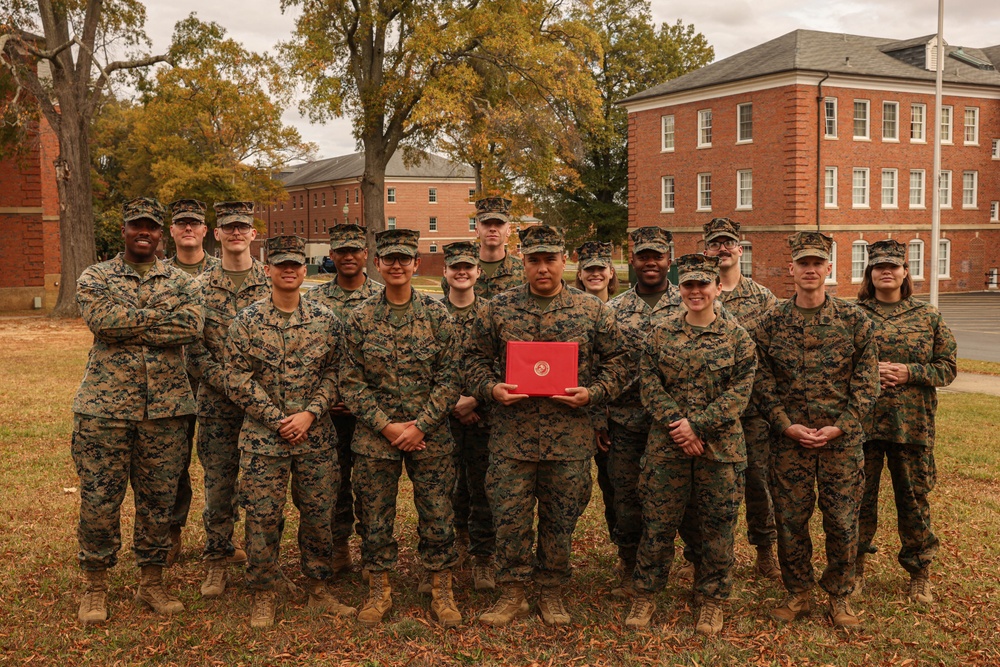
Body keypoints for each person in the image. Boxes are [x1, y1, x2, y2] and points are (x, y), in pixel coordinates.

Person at [467, 224, 629, 626]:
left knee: (560, 519)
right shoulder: (497, 308)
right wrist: (491, 389)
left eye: (550, 259)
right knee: (510, 517)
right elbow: (470, 361)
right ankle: (513, 593)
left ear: (564, 260)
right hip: (512, 438)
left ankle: (552, 592)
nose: (542, 268)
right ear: (523, 260)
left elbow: (622, 363)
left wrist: (593, 393)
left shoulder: (591, 311)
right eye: (534, 260)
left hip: (569, 439)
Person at [73, 197, 204, 624]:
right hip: (104, 411)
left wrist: (130, 321)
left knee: (159, 502)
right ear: (124, 230)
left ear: (160, 233)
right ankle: (95, 586)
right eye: (136, 225)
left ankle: (152, 582)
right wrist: (155, 320)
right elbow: (102, 323)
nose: (143, 232)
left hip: (166, 411)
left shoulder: (181, 280)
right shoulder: (95, 276)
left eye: (151, 226)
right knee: (99, 500)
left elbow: (190, 326)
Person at [224, 235, 354, 629]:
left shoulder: (325, 320)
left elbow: (337, 373)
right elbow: (236, 378)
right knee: (262, 516)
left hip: (315, 438)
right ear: (267, 270)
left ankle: (318, 586)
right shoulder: (246, 322)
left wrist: (310, 414)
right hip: (265, 440)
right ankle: (263, 592)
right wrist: (277, 418)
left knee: (318, 514)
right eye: (281, 264)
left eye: (296, 264)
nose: (289, 270)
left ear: (305, 269)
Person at [754, 231, 879, 628]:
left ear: (829, 269)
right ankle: (798, 594)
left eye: (817, 264)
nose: (810, 270)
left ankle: (840, 597)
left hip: (840, 444)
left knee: (842, 520)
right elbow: (761, 382)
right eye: (803, 264)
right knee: (791, 520)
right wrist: (785, 425)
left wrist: (840, 427)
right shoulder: (770, 321)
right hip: (788, 443)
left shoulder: (854, 319)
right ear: (791, 269)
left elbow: (867, 380)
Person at [340, 229, 463, 628]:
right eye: (389, 259)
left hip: (431, 437)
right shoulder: (359, 319)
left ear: (415, 265)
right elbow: (350, 381)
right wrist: (388, 427)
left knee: (438, 513)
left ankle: (441, 587)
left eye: (403, 259)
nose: (396, 266)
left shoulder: (436, 315)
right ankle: (379, 588)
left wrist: (421, 425)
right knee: (374, 516)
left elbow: (450, 377)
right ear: (377, 264)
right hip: (376, 438)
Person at [627, 254, 756, 634]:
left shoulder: (737, 338)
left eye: (703, 285)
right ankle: (645, 595)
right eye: (689, 285)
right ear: (679, 288)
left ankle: (712, 599)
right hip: (667, 448)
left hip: (720, 450)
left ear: (718, 288)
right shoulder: (660, 333)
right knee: (657, 524)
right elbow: (648, 385)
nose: (696, 291)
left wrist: (697, 426)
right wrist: (678, 427)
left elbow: (740, 392)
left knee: (717, 526)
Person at [855, 239, 956, 604]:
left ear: (905, 271)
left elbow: (947, 367)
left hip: (910, 426)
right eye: (879, 265)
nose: (886, 271)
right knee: (858, 501)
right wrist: (869, 372)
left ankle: (919, 571)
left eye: (893, 266)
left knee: (914, 501)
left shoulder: (927, 316)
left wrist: (909, 372)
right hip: (862, 425)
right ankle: (854, 569)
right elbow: (836, 366)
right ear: (870, 272)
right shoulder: (854, 315)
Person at [185, 201, 271, 598]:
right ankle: (217, 561)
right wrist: (231, 382)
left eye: (244, 228)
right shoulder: (197, 289)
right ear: (216, 234)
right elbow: (193, 350)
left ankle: (262, 562)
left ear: (254, 234)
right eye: (229, 228)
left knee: (261, 488)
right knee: (219, 486)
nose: (237, 234)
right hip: (218, 405)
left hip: (264, 408)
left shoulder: (272, 283)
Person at [604, 227, 688, 596]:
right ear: (632, 260)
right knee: (627, 499)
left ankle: (691, 566)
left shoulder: (691, 303)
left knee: (683, 500)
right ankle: (630, 568)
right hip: (627, 422)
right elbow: (598, 364)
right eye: (643, 256)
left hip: (675, 425)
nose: (651, 262)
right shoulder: (613, 310)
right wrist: (598, 418)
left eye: (658, 256)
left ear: (669, 260)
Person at [702, 217, 781, 580]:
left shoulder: (762, 297)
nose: (722, 249)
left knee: (758, 483)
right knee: (713, 488)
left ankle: (765, 551)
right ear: (706, 250)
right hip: (709, 411)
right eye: (715, 244)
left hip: (752, 412)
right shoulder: (699, 292)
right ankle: (713, 556)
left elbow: (777, 352)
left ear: (739, 248)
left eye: (728, 243)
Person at [304, 224, 383, 574]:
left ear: (366, 255)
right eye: (341, 251)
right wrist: (327, 397)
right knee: (331, 484)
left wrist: (362, 399)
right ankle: (338, 547)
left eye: (355, 250)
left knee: (370, 486)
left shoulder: (383, 296)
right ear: (331, 256)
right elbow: (308, 356)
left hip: (371, 412)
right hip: (328, 412)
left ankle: (371, 551)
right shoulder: (313, 302)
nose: (348, 257)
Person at [164, 198, 220, 565]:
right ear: (171, 231)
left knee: (220, 462)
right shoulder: (158, 274)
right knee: (170, 462)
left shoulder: (223, 272)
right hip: (169, 383)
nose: (187, 228)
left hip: (216, 384)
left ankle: (222, 538)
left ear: (204, 230)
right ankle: (170, 533)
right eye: (181, 222)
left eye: (194, 222)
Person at [573, 241, 618, 547]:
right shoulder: (569, 310)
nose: (595, 275)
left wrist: (604, 417)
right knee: (574, 489)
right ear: (579, 273)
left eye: (600, 269)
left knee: (616, 487)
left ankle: (623, 552)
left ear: (611, 272)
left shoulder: (623, 310)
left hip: (616, 416)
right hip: (575, 414)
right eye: (589, 269)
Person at [441, 196, 524, 299]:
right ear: (477, 230)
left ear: (508, 230)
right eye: (486, 223)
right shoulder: (459, 272)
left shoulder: (523, 271)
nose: (492, 229)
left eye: (499, 224)